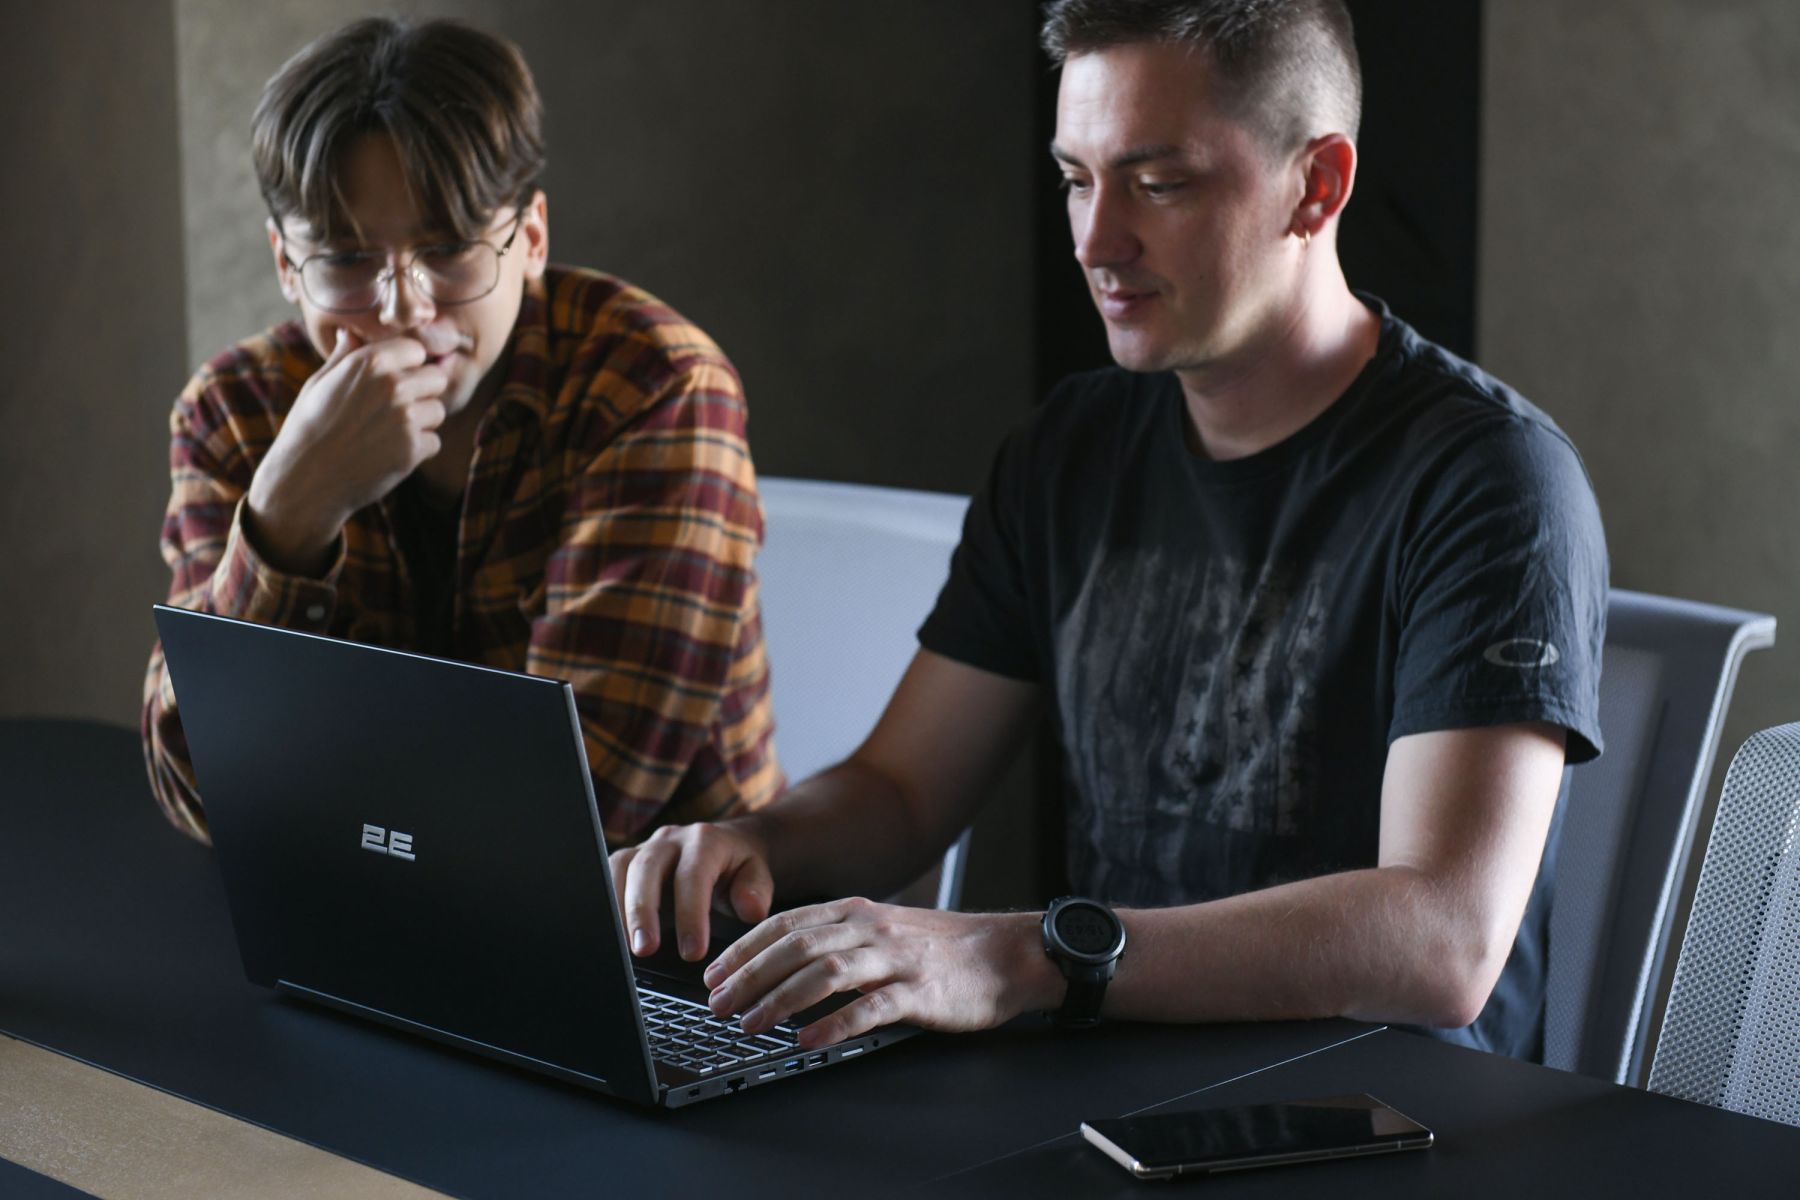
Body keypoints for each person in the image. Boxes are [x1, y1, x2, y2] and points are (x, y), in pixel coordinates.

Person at [613, 0, 1606, 1064]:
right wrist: (753, 843)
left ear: (1317, 185)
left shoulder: (1489, 479)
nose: (1097, 242)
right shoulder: (1069, 450)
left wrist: (1019, 956)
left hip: (1385, 1110)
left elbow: (1444, 940)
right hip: (1111, 1086)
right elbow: (900, 792)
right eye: (1077, 180)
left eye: (1158, 183)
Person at [142, 18, 781, 846]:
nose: (404, 307)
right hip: (338, 898)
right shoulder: (235, 410)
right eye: (346, 260)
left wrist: (312, 791)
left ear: (531, 238)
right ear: (284, 264)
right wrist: (288, 517)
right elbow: (197, 786)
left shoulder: (653, 388)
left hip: (664, 908)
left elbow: (581, 802)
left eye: (447, 249)